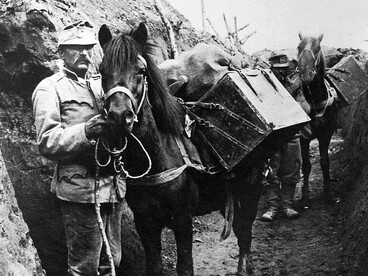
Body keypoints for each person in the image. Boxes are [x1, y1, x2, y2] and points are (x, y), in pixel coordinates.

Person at [32, 21, 125, 275]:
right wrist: (86, 131)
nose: (84, 53)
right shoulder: (50, 88)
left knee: (112, 262)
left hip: (113, 188)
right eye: (76, 48)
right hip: (80, 190)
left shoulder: (100, 85)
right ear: (61, 52)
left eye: (88, 48)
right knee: (85, 266)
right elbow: (47, 141)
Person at [260, 51, 302, 222]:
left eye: (284, 68)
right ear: (271, 68)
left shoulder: (295, 86)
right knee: (271, 172)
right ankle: (272, 207)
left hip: (292, 134)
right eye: (277, 69)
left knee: (291, 171)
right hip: (272, 135)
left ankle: (287, 206)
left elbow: (303, 107)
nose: (281, 72)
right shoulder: (263, 87)